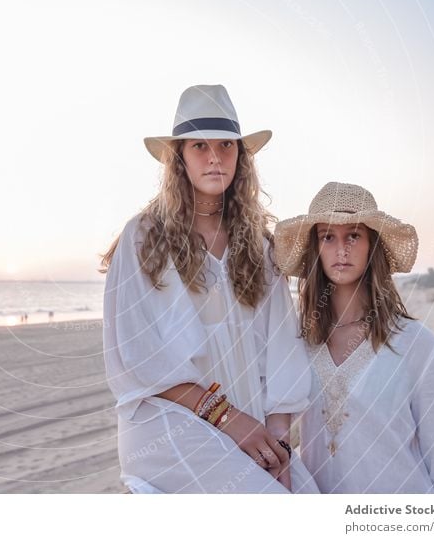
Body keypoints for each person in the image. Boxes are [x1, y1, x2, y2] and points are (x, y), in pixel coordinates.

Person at [99, 84, 318, 493]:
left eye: (226, 145)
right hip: (168, 423)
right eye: (199, 145)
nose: (215, 157)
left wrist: (279, 446)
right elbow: (137, 359)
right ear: (179, 158)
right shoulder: (143, 239)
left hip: (251, 421)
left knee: (300, 492)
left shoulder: (261, 246)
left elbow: (282, 350)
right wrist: (229, 420)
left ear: (241, 156)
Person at [273, 182, 434, 493]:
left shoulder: (418, 346)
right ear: (315, 248)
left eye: (353, 235)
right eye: (327, 236)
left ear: (373, 245)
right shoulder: (298, 341)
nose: (341, 250)